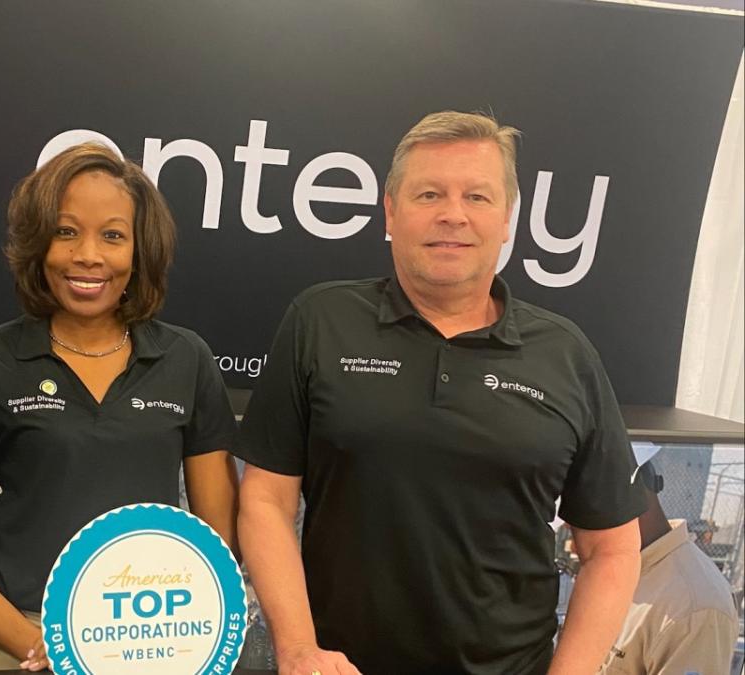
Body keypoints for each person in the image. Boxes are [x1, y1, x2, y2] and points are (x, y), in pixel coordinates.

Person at [235, 111, 646, 675]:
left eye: (477, 197)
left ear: (506, 220)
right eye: (429, 194)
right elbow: (265, 500)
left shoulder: (567, 355)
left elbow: (613, 549)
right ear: (390, 211)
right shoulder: (319, 321)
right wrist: (299, 648)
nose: (453, 214)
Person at [0, 142, 240, 672]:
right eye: (66, 231)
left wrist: (172, 636)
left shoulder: (187, 359)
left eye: (113, 235)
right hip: (13, 639)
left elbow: (217, 544)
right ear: (38, 244)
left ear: (140, 252)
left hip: (145, 643)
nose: (88, 255)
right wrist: (33, 641)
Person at [599, 452, 737, 674]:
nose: (571, 530)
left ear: (623, 497)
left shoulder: (695, 606)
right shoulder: (617, 571)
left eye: (577, 516)